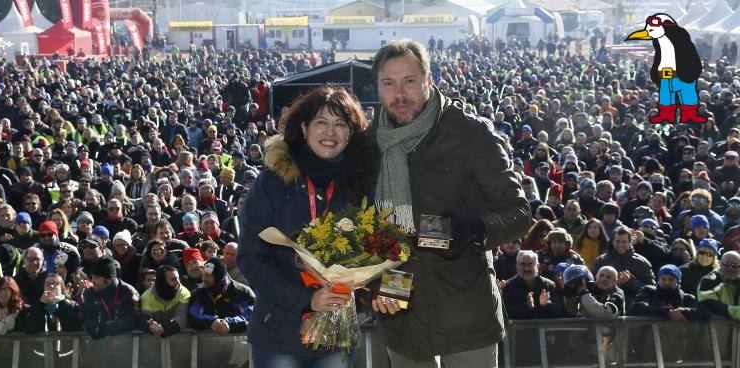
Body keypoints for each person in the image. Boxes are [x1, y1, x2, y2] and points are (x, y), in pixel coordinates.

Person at [368, 39, 531, 367]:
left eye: (409, 81)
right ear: (378, 87)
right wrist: (372, 283)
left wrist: (473, 230)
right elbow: (361, 224)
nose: (399, 94)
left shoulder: (470, 134)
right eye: (389, 83)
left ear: (429, 80)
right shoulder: (370, 143)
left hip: (465, 302)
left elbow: (519, 212)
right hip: (400, 296)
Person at [238, 85, 376, 367]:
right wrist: (307, 298)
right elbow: (250, 257)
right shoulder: (273, 181)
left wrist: (384, 289)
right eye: (321, 123)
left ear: (351, 133)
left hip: (336, 331)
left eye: (340, 124)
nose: (330, 133)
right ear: (304, 127)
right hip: (279, 329)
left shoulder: (361, 183)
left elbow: (377, 247)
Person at [188, 257, 254, 333]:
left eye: (208, 275)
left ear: (218, 277)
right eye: (203, 274)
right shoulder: (198, 294)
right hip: (207, 343)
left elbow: (252, 315)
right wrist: (212, 322)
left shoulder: (242, 292)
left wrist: (229, 324)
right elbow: (192, 315)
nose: (204, 278)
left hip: (238, 342)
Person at [81, 256, 139, 339]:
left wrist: (109, 328)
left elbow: (132, 318)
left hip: (125, 342)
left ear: (109, 280)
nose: (92, 281)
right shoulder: (90, 292)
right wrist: (96, 329)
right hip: (96, 343)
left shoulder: (128, 292)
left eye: (96, 278)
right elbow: (87, 316)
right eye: (92, 277)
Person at [593, 226, 656, 301]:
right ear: (613, 242)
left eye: (624, 242)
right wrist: (612, 283)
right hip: (605, 303)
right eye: (617, 241)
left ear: (630, 242)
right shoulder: (601, 261)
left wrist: (631, 281)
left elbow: (651, 290)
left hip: (633, 305)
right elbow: (593, 285)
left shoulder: (642, 263)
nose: (620, 245)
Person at [630, 264, 711, 321]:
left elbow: (705, 313)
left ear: (678, 282)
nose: (666, 282)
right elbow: (636, 307)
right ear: (658, 280)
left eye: (671, 279)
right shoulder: (649, 291)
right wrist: (666, 313)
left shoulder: (686, 298)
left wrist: (683, 311)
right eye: (663, 279)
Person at [503, 251, 567, 319]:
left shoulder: (548, 285)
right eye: (523, 264)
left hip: (545, 328)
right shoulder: (508, 286)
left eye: (530, 264)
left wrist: (547, 304)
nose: (526, 268)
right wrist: (526, 306)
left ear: (537, 266)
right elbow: (505, 313)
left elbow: (561, 311)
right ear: (517, 266)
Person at [140, 265, 190, 338]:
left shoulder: (184, 293)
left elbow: (182, 318)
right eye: (173, 279)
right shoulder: (147, 296)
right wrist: (150, 325)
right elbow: (145, 317)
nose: (178, 283)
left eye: (178, 278)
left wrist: (163, 329)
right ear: (162, 282)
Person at [698, 251, 740, 319]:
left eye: (735, 265)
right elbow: (710, 305)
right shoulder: (708, 281)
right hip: (714, 327)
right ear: (720, 263)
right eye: (727, 264)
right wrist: (737, 312)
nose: (730, 268)